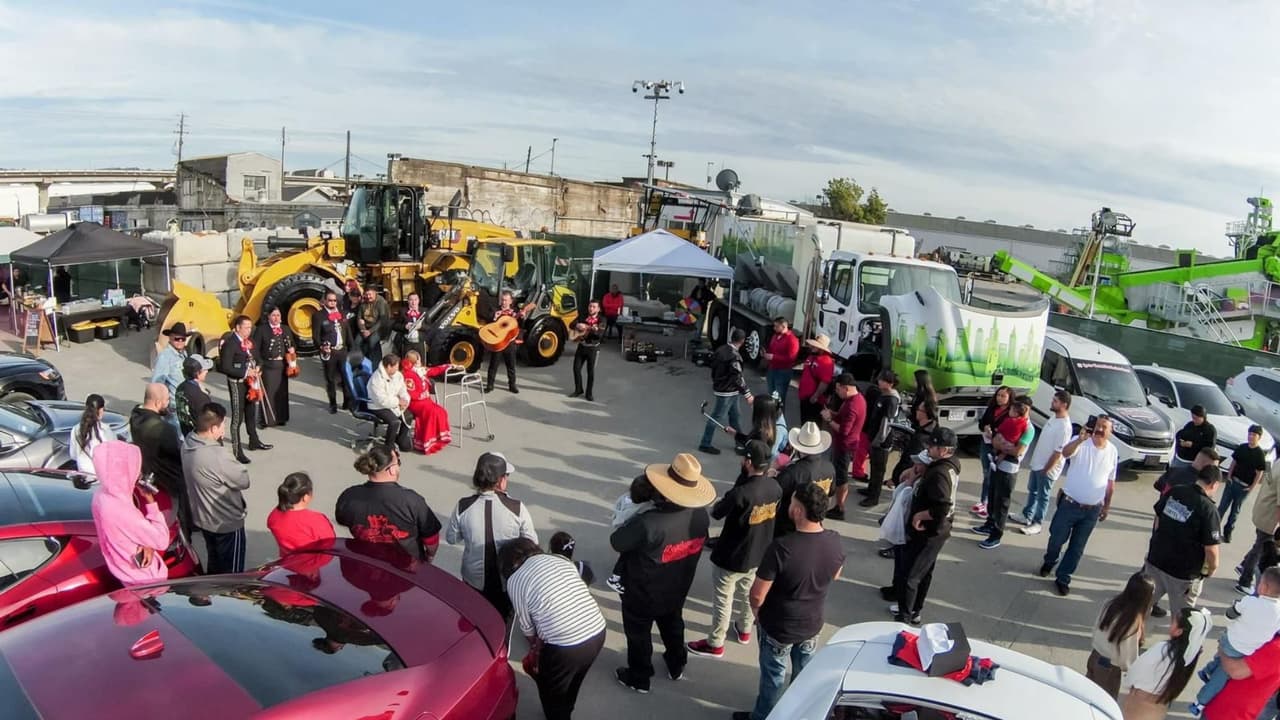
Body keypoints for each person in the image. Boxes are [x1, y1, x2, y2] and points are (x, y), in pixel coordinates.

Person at [732, 483, 844, 720]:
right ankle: (798, 713)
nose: (789, 506)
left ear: (799, 511)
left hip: (779, 625)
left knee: (773, 677)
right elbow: (836, 574)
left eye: (793, 502)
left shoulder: (782, 548)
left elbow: (757, 594)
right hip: (812, 623)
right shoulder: (834, 541)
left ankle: (764, 716)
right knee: (803, 674)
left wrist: (758, 613)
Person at [611, 452, 713, 694]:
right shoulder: (700, 516)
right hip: (678, 586)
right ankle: (677, 663)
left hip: (643, 591)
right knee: (673, 623)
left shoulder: (648, 522)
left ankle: (640, 676)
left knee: (638, 634)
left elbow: (617, 541)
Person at [687, 440, 782, 659]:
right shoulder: (775, 487)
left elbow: (717, 512)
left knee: (723, 599)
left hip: (732, 556)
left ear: (749, 462)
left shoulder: (741, 493)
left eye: (743, 458)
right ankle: (745, 628)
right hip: (759, 553)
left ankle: (716, 642)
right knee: (748, 593)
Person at [501, 538, 607, 720]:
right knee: (575, 679)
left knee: (552, 689)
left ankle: (558, 715)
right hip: (597, 630)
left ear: (509, 562)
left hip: (565, 646)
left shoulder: (515, 580)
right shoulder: (560, 559)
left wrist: (536, 650)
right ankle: (567, 709)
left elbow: (527, 627)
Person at [446, 452, 538, 618]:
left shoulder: (463, 506)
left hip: (473, 580)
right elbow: (532, 542)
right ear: (501, 481)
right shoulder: (517, 508)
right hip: (506, 581)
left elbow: (451, 538)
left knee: (472, 620)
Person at [1040, 415, 1119, 596]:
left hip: (1092, 511)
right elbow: (1066, 453)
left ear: (1110, 432)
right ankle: (1050, 560)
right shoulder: (1081, 441)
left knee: (1077, 548)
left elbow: (1110, 482)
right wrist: (1080, 440)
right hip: (1069, 504)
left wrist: (1106, 506)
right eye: (1098, 425)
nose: (1099, 429)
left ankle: (1063, 577)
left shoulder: (1113, 451)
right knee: (1056, 539)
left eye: (1104, 427)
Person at [889, 426, 960, 625]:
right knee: (924, 571)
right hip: (937, 530)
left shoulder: (939, 473)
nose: (929, 448)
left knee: (912, 575)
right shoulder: (950, 465)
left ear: (944, 450)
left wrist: (921, 514)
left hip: (930, 532)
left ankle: (904, 617)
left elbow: (943, 506)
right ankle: (915, 609)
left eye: (933, 446)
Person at [1194, 568, 1280, 714]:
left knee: (1221, 672)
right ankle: (1208, 673)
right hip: (1251, 654)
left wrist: (1222, 646)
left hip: (1232, 645)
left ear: (1264, 587)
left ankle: (1201, 700)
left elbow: (1230, 615)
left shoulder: (1249, 602)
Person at [336, 444, 442, 562]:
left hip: (366, 562)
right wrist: (430, 556)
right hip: (405, 569)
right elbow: (431, 538)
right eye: (398, 463)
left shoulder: (349, 496)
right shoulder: (412, 501)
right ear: (392, 469)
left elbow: (342, 520)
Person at [1144, 463, 1222, 620]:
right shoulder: (1208, 509)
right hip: (1183, 574)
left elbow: (1158, 516)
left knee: (1142, 605)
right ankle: (1177, 644)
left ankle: (1132, 636)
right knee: (1181, 619)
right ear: (1214, 484)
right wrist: (1212, 568)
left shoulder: (1176, 491)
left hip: (1156, 560)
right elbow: (1211, 549)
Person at [182, 402, 250, 574]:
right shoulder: (217, 455)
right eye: (222, 425)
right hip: (226, 521)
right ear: (213, 429)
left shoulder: (189, 442)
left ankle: (214, 593)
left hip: (203, 518)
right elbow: (243, 480)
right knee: (231, 574)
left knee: (214, 562)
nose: (224, 429)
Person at [90, 440, 170, 586]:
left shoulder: (101, 495)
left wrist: (146, 543)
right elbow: (162, 540)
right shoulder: (122, 511)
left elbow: (129, 534)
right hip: (144, 579)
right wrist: (151, 503)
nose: (137, 473)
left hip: (123, 571)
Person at [1121, 607, 1213, 720]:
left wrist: (1128, 683)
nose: (1171, 622)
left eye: (1174, 621)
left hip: (1139, 705)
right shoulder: (1191, 654)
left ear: (1179, 631)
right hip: (1159, 706)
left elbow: (1136, 671)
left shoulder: (1163, 650)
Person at [973, 395, 1034, 550]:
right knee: (992, 497)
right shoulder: (1011, 422)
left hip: (1009, 469)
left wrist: (1001, 446)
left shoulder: (1028, 428)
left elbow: (1017, 451)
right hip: (997, 465)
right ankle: (989, 524)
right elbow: (995, 439)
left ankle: (996, 535)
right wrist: (999, 444)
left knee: (1002, 503)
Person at [130, 382, 190, 537]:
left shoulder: (135, 416)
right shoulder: (163, 429)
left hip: (149, 479)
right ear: (157, 402)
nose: (168, 404)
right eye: (166, 401)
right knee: (179, 523)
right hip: (169, 482)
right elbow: (178, 455)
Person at [1012, 389, 1072, 535]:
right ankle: (1027, 515)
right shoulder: (1054, 418)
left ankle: (1037, 523)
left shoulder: (1064, 427)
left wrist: (1046, 469)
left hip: (1047, 468)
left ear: (1064, 405)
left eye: (1055, 401)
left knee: (1043, 496)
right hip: (1038, 463)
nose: (1052, 403)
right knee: (1032, 491)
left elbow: (1058, 453)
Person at [1087, 572, 1155, 699]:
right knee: (1105, 700)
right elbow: (1128, 654)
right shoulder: (1132, 622)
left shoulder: (1111, 603)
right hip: (1109, 667)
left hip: (1095, 655)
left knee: (1088, 691)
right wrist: (1132, 671)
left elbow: (1096, 627)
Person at [218, 314, 270, 463]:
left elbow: (258, 358)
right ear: (238, 328)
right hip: (237, 382)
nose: (249, 330)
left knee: (251, 412)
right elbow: (225, 366)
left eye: (250, 327)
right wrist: (246, 372)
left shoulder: (249, 341)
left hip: (251, 383)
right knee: (237, 417)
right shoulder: (230, 343)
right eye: (246, 327)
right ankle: (237, 450)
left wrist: (259, 367)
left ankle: (254, 440)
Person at [772, 421, 836, 537]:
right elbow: (829, 497)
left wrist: (772, 472)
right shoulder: (829, 468)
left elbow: (773, 495)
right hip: (815, 524)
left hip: (789, 528)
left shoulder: (793, 472)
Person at [1199, 631, 1280, 720]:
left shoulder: (1276, 648)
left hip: (1229, 712)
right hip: (1234, 711)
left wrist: (1223, 650)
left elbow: (1235, 671)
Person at [699, 328, 754, 455]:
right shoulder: (734, 356)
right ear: (742, 341)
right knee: (716, 417)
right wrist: (748, 394)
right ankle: (705, 443)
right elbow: (737, 377)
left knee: (736, 417)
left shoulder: (721, 349)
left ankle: (740, 444)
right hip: (728, 391)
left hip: (724, 389)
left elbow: (712, 367)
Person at [821, 373, 865, 520]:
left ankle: (839, 507)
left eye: (838, 389)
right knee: (840, 476)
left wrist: (828, 419)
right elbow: (842, 416)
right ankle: (838, 505)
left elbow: (843, 430)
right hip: (846, 444)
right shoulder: (857, 399)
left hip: (844, 446)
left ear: (845, 388)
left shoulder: (852, 406)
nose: (837, 392)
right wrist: (833, 413)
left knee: (841, 478)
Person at [1238, 449, 1280, 595]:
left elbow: (1267, 473)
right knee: (1261, 549)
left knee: (1259, 544)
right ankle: (1244, 580)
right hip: (1270, 518)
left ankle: (1243, 564)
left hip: (1261, 510)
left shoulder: (1276, 462)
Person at [606, 474, 656, 594]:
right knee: (626, 556)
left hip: (621, 527)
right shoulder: (643, 507)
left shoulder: (626, 498)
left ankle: (619, 575)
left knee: (625, 555)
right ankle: (615, 578)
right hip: (630, 533)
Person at [860, 370, 902, 508]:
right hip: (874, 437)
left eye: (881, 380)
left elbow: (886, 423)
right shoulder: (883, 395)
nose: (879, 382)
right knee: (873, 464)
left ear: (889, 383)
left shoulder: (891, 400)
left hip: (882, 441)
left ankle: (874, 497)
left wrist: (879, 440)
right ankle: (870, 489)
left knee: (879, 469)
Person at [267, 472, 336, 555]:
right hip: (313, 564)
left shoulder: (274, 515)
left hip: (288, 562)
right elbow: (330, 544)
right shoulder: (316, 520)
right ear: (306, 497)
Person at [1220, 425, 1269, 543]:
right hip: (1233, 482)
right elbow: (1234, 462)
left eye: (1254, 435)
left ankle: (1228, 533)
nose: (1251, 437)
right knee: (1221, 508)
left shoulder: (1259, 454)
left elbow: (1259, 473)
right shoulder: (1242, 447)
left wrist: (1251, 488)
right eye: (1250, 434)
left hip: (1244, 487)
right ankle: (1213, 530)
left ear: (1259, 437)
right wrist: (1229, 476)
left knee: (1234, 512)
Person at [401, 350, 454, 454]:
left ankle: (437, 438)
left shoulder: (420, 370)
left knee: (441, 411)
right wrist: (422, 395)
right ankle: (425, 442)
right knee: (432, 413)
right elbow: (410, 393)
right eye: (417, 361)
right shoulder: (408, 374)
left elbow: (434, 370)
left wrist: (448, 366)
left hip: (426, 401)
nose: (420, 362)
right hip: (416, 403)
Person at [972, 385, 1012, 519]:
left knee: (991, 475)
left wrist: (993, 433)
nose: (1000, 398)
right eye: (998, 395)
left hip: (997, 446)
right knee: (986, 473)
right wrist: (985, 428)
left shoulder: (1010, 413)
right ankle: (983, 500)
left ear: (1009, 398)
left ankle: (988, 503)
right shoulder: (992, 408)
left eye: (1003, 396)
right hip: (986, 443)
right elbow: (981, 423)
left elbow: (1008, 431)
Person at [251, 305, 295, 427]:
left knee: (281, 393)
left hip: (282, 365)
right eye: (274, 315)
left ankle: (281, 417)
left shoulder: (285, 329)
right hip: (268, 365)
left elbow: (292, 344)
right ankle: (265, 419)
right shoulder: (261, 330)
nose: (276, 318)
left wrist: (292, 352)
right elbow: (256, 349)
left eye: (278, 315)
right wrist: (258, 364)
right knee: (268, 393)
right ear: (269, 316)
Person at [312, 291, 354, 414]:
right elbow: (315, 335)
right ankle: (333, 403)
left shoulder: (341, 313)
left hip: (342, 350)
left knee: (346, 377)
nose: (332, 302)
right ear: (324, 301)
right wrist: (321, 347)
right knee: (330, 379)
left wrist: (352, 347)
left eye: (334, 300)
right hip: (329, 351)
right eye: (330, 300)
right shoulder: (318, 316)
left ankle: (347, 402)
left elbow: (347, 331)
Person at [724, 395, 787, 471]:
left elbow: (769, 453)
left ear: (761, 411)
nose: (751, 407)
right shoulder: (765, 428)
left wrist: (747, 459)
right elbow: (751, 441)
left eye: (754, 406)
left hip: (755, 470)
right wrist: (736, 434)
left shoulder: (772, 431)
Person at [367, 353, 412, 451]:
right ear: (388, 367)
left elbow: (403, 390)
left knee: (409, 416)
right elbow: (381, 400)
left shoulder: (397, 375)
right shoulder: (376, 379)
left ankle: (401, 439)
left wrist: (405, 401)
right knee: (394, 422)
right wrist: (398, 402)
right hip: (377, 406)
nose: (397, 369)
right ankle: (388, 448)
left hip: (393, 403)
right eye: (395, 367)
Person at [485, 289, 525, 394]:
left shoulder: (515, 312)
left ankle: (512, 385)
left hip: (510, 343)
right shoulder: (495, 310)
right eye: (502, 300)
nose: (503, 303)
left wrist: (522, 317)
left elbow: (520, 325)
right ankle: (490, 385)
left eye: (506, 300)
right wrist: (494, 317)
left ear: (511, 301)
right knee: (493, 365)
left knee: (511, 366)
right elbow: (489, 323)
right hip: (498, 342)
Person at [151, 322, 190, 427]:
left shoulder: (184, 354)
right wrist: (161, 405)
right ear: (170, 338)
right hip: (173, 406)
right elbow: (157, 382)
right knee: (177, 437)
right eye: (177, 339)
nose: (180, 342)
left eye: (183, 339)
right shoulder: (165, 357)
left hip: (184, 403)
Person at [70, 393, 115, 475]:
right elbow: (113, 455)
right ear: (101, 410)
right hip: (101, 475)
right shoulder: (105, 430)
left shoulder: (75, 429)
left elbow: (73, 455)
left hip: (83, 473)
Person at [569, 299, 604, 401]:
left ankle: (589, 393)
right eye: (590, 306)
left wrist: (587, 327)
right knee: (576, 368)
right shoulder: (583, 316)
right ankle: (578, 389)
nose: (591, 308)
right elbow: (571, 324)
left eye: (593, 307)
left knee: (590, 372)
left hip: (593, 348)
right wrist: (577, 325)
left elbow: (599, 334)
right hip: (582, 346)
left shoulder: (602, 320)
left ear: (598, 309)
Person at [797, 334, 835, 425]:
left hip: (813, 399)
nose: (812, 347)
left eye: (815, 346)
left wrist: (815, 396)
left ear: (821, 348)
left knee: (813, 424)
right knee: (804, 423)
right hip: (805, 397)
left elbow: (824, 382)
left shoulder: (826, 361)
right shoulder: (811, 357)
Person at [763, 318, 800, 405]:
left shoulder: (792, 340)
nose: (774, 328)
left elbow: (791, 358)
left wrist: (774, 357)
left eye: (776, 326)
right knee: (771, 395)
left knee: (779, 398)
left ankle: (779, 416)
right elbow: (771, 349)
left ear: (783, 326)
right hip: (772, 369)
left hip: (783, 372)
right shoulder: (775, 336)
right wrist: (766, 354)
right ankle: (771, 416)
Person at [1155, 447, 1221, 495]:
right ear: (1205, 465)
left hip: (1162, 509)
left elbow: (1157, 486)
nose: (1214, 471)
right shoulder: (1200, 484)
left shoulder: (1173, 470)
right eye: (1214, 468)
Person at [175, 354, 214, 437]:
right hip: (201, 440)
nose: (207, 371)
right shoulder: (201, 397)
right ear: (197, 373)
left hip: (187, 436)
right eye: (204, 369)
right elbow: (208, 423)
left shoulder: (180, 387)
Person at [356, 285, 390, 366]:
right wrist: (363, 330)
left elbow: (382, 320)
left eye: (370, 294)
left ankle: (375, 364)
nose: (368, 297)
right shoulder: (364, 302)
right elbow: (359, 318)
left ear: (375, 293)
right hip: (365, 328)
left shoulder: (381, 302)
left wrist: (370, 331)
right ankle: (359, 362)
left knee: (372, 341)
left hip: (378, 328)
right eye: (366, 294)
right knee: (357, 341)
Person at [396, 291, 427, 359]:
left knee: (421, 363)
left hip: (420, 343)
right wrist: (405, 327)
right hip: (407, 343)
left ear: (418, 300)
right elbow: (395, 325)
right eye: (411, 300)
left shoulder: (424, 311)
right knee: (407, 363)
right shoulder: (402, 311)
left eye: (415, 299)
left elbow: (430, 327)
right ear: (408, 301)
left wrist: (421, 327)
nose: (413, 302)